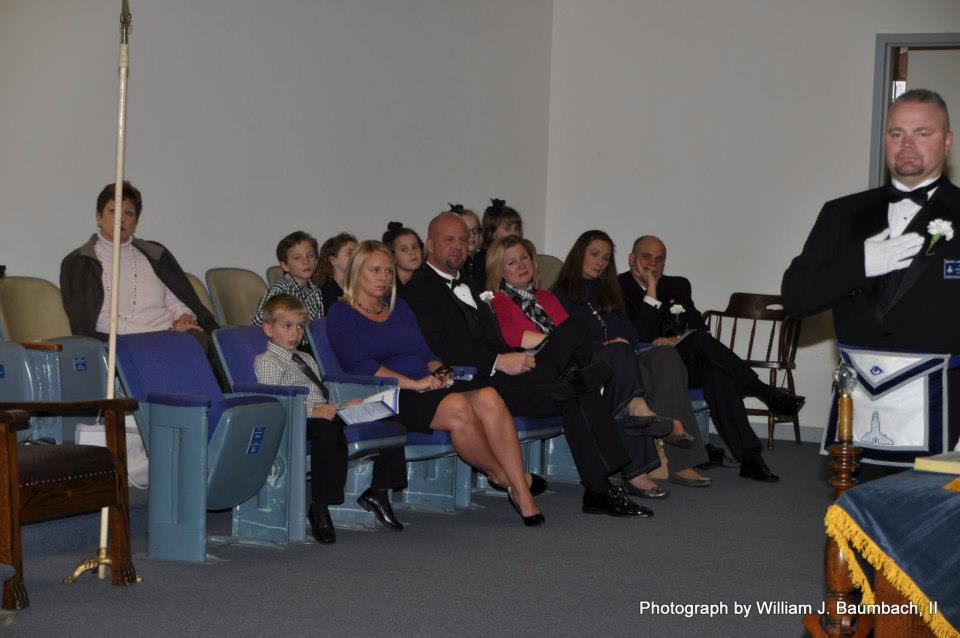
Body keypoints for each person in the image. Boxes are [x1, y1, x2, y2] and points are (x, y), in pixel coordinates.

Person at [402, 212, 652, 517]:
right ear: (430, 244)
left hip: (510, 374)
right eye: (448, 240)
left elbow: (493, 338)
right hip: (476, 383)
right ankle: (600, 489)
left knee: (574, 348)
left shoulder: (469, 283)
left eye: (463, 240)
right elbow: (439, 349)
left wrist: (510, 356)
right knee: (575, 387)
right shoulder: (418, 290)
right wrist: (499, 360)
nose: (458, 246)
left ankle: (598, 489)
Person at [782, 88, 960, 447]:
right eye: (897, 133)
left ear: (947, 142)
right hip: (859, 405)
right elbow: (795, 298)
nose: (907, 144)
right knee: (855, 504)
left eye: (922, 133)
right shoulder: (841, 213)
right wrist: (858, 265)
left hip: (946, 410)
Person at [326, 241, 545, 526]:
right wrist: (416, 384)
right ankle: (506, 479)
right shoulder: (341, 313)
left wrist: (441, 372)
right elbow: (362, 368)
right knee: (457, 406)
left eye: (388, 271)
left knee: (489, 395)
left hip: (426, 386)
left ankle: (520, 490)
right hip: (385, 394)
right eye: (375, 270)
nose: (384, 278)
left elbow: (426, 354)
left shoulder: (399, 307)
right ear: (357, 272)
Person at [621, 235, 804, 481]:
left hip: (683, 362)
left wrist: (677, 340)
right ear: (632, 258)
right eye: (646, 257)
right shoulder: (617, 288)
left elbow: (698, 326)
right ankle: (764, 392)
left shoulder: (678, 285)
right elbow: (638, 335)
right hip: (649, 365)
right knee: (704, 352)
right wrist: (651, 292)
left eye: (660, 259)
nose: (653, 264)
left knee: (717, 373)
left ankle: (750, 458)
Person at [549, 231, 713, 494]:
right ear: (579, 253)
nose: (600, 262)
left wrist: (620, 342)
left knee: (666, 356)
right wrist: (607, 346)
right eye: (594, 254)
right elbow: (565, 339)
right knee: (637, 376)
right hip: (593, 361)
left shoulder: (607, 291)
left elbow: (633, 333)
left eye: (605, 257)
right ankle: (641, 467)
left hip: (625, 354)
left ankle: (680, 461)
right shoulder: (559, 294)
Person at [254, 294, 408, 542]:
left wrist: (343, 405)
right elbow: (277, 402)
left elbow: (320, 397)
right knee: (327, 433)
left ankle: (378, 491)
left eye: (300, 326)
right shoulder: (267, 361)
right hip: (294, 420)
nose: (295, 333)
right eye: (287, 326)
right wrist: (313, 412)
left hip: (321, 414)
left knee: (387, 423)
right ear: (268, 329)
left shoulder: (306, 358)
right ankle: (319, 506)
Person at [60, 180, 219, 340]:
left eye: (129, 213)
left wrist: (184, 315)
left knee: (199, 338)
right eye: (113, 210)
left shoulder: (155, 254)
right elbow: (99, 322)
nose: (121, 218)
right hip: (125, 343)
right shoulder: (80, 263)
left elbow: (176, 300)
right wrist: (167, 330)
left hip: (173, 336)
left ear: (135, 222)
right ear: (98, 217)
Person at [252, 231, 327, 330]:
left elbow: (318, 327)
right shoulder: (280, 290)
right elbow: (257, 322)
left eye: (310, 256)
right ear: (285, 266)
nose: (306, 261)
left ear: (316, 261)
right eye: (297, 258)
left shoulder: (316, 290)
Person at [470, 198, 523, 289]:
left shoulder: (522, 256)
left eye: (517, 228)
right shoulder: (482, 260)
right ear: (493, 233)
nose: (515, 233)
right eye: (508, 228)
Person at [313, 232, 357, 305]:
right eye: (350, 253)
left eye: (357, 254)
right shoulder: (325, 290)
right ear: (333, 260)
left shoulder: (356, 288)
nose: (356, 257)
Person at [381, 221, 424, 292]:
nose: (412, 252)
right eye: (404, 249)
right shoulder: (386, 287)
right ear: (392, 256)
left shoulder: (427, 283)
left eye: (415, 247)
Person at [449, 203, 482, 282]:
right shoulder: (452, 265)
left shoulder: (481, 262)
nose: (471, 235)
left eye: (475, 230)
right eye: (466, 230)